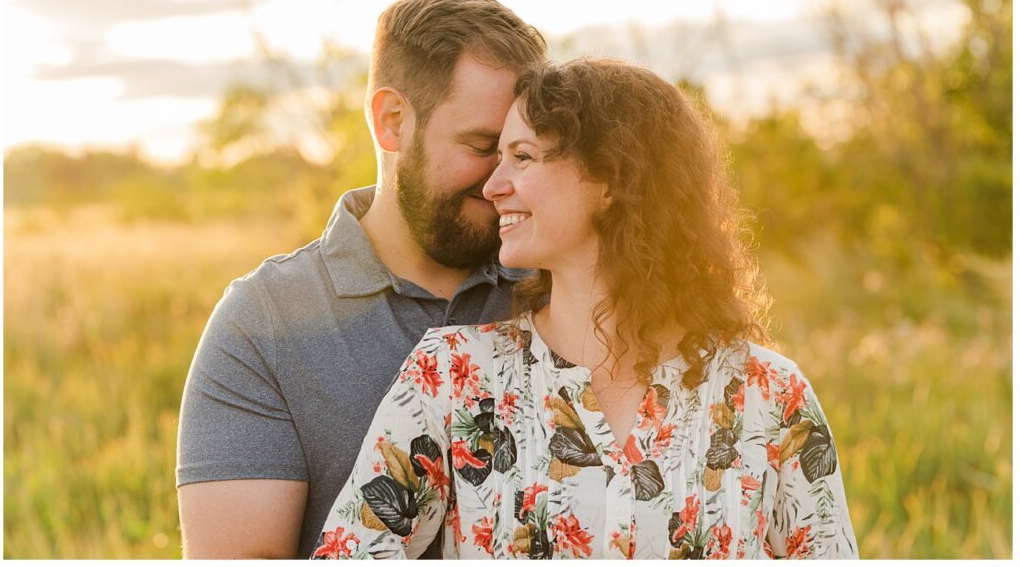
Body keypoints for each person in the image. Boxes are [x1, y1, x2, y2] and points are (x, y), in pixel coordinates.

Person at [310, 58, 859, 559]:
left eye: (522, 157)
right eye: (496, 157)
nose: (494, 186)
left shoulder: (770, 396)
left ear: (613, 180)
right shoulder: (453, 376)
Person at [175, 0, 546, 559]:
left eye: (524, 155)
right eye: (483, 146)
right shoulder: (262, 324)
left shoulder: (559, 288)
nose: (504, 182)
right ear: (392, 121)